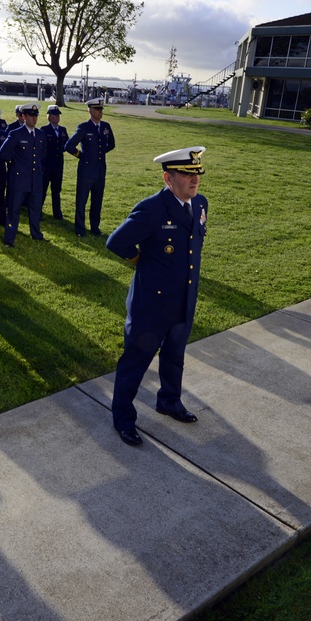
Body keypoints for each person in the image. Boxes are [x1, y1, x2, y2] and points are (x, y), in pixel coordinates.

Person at [105, 146, 208, 446]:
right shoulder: (151, 209)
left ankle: (169, 401)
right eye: (186, 174)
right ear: (168, 178)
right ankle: (123, 419)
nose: (194, 180)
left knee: (175, 356)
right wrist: (140, 262)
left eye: (196, 174)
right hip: (151, 303)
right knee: (136, 361)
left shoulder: (200, 204)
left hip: (184, 299)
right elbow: (116, 242)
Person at [0, 102, 47, 246]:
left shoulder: (40, 134)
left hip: (35, 179)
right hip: (19, 179)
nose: (34, 119)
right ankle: (9, 239)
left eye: (36, 116)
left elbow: (43, 153)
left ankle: (36, 234)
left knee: (35, 209)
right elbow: (2, 153)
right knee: (14, 211)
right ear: (23, 116)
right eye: (31, 116)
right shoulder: (16, 134)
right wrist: (15, 163)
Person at [65, 97, 115, 237]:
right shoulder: (84, 127)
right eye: (97, 109)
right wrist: (80, 155)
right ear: (90, 110)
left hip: (100, 171)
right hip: (86, 171)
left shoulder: (105, 126)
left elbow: (111, 144)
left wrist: (99, 153)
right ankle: (80, 229)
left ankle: (95, 227)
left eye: (101, 109)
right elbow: (68, 146)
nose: (100, 112)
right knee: (81, 201)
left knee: (97, 201)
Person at [41, 104, 69, 220]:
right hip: (47, 165)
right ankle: (38, 211)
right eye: (54, 115)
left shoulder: (62, 130)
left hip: (58, 165)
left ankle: (57, 213)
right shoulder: (44, 130)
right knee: (43, 189)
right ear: (49, 117)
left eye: (58, 115)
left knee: (56, 190)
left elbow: (67, 144)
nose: (57, 117)